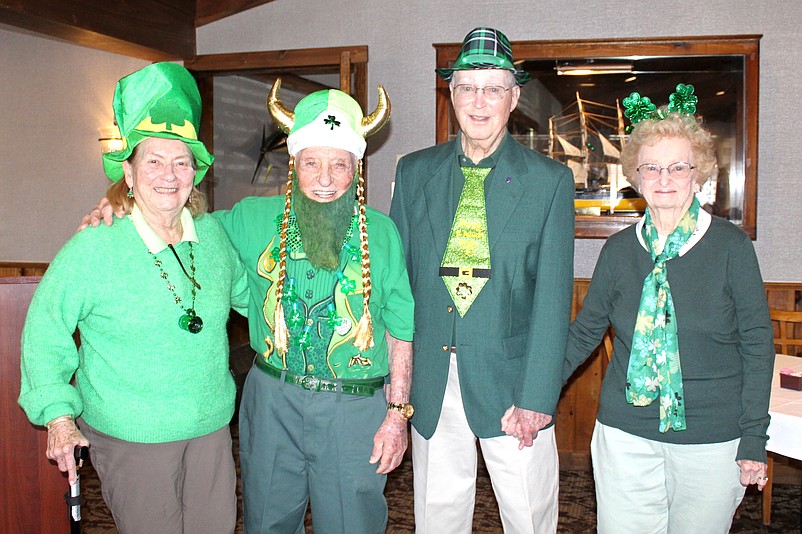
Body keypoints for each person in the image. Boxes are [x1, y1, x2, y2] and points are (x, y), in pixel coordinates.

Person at [84, 79, 415, 532]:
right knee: (267, 521)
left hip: (353, 406)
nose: (324, 179)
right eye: (312, 162)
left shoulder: (382, 233)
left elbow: (400, 326)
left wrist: (397, 415)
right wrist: (121, 206)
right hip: (272, 399)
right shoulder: (249, 218)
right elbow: (176, 221)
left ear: (356, 166)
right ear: (293, 162)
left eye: (339, 165)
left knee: (352, 523)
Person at [18, 62, 249, 534]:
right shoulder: (95, 245)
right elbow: (45, 330)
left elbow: (252, 295)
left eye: (181, 162)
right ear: (128, 170)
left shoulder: (212, 234)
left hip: (208, 427)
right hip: (131, 433)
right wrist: (59, 416)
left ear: (196, 173)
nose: (169, 175)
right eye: (154, 162)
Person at [562, 84, 774, 534]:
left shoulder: (731, 247)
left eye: (677, 167)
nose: (664, 178)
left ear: (698, 174)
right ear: (636, 176)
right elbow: (584, 333)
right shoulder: (619, 250)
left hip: (712, 436)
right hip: (624, 433)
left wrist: (754, 436)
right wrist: (534, 395)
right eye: (652, 167)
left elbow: (758, 346)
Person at [389, 27, 575, 533]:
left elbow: (554, 298)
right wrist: (396, 384)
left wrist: (538, 396)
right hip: (431, 381)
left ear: (514, 97)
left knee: (528, 516)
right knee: (436, 514)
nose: (479, 100)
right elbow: (396, 289)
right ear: (450, 95)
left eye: (493, 88)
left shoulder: (550, 182)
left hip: (513, 385)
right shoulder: (413, 173)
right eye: (467, 87)